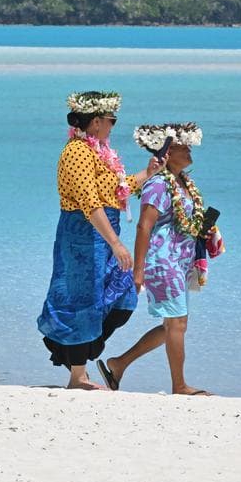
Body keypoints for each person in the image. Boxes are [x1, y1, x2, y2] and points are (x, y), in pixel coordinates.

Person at [37, 91, 165, 390]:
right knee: (84, 297)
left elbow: (116, 191)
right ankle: (77, 375)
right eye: (111, 120)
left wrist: (148, 173)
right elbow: (90, 203)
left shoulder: (100, 152)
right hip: (82, 235)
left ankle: (81, 352)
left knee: (122, 298)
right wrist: (116, 244)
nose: (113, 126)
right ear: (95, 122)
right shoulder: (76, 153)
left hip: (105, 233)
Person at [97, 122, 223, 396]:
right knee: (176, 323)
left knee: (175, 325)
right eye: (183, 146)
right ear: (167, 151)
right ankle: (179, 386)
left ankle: (119, 364)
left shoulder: (183, 182)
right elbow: (144, 226)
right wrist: (138, 272)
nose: (189, 150)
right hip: (162, 261)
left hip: (180, 261)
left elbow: (185, 219)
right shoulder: (157, 184)